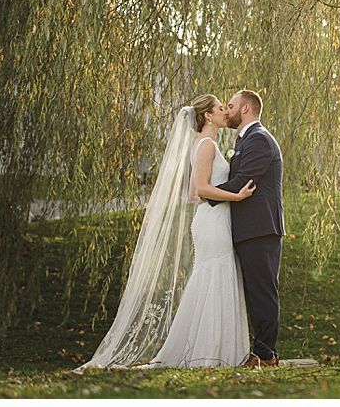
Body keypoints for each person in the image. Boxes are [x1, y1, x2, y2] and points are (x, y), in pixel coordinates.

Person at [76, 95, 256, 371]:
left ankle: (209, 348)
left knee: (210, 277)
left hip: (211, 219)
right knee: (216, 275)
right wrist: (238, 196)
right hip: (213, 221)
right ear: (208, 116)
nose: (224, 112)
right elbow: (204, 190)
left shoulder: (203, 144)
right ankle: (210, 352)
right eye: (220, 108)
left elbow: (193, 193)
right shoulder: (206, 144)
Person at [206, 89, 286, 367]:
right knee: (255, 291)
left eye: (230, 106)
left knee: (263, 291)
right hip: (249, 229)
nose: (226, 111)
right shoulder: (246, 140)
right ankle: (261, 351)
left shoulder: (259, 140)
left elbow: (243, 181)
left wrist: (206, 194)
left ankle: (266, 355)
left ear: (245, 109)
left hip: (260, 229)